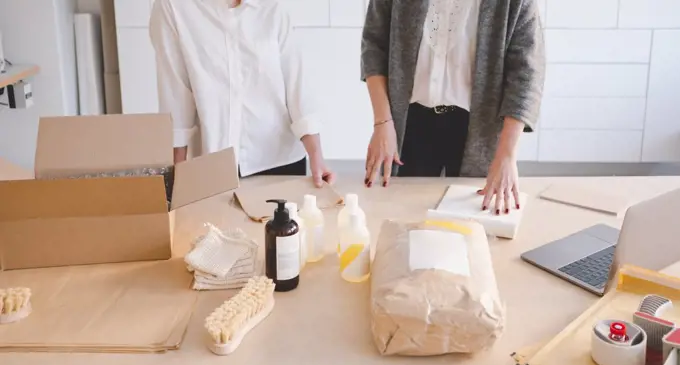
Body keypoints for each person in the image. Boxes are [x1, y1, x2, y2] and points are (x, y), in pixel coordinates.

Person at [360, 0, 545, 214]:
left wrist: (507, 154)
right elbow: (374, 46)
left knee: (471, 225)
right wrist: (382, 122)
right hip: (408, 124)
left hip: (478, 129)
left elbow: (527, 71)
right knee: (403, 216)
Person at [150, 0, 335, 187]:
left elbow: (297, 83)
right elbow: (175, 95)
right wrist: (177, 180)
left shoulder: (274, 6)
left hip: (278, 161)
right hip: (210, 163)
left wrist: (316, 156)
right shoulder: (173, 6)